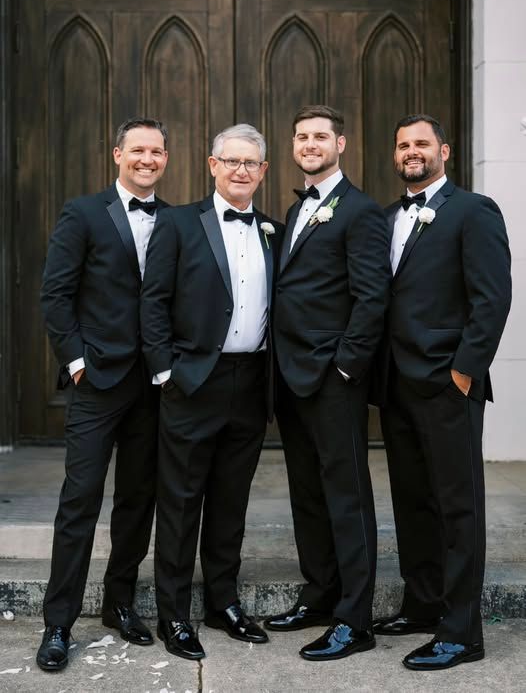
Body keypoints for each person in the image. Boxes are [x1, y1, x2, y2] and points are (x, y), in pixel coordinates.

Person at [140, 123, 283, 661]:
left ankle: (223, 602)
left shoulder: (274, 229)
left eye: (251, 163)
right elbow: (152, 300)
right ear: (212, 165)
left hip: (251, 383)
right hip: (191, 381)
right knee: (179, 503)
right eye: (232, 161)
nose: (241, 170)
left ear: (264, 172)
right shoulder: (178, 223)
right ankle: (174, 616)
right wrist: (165, 373)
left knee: (231, 502)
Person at [374, 114, 512, 671]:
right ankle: (423, 603)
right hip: (397, 385)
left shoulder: (474, 211)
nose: (412, 151)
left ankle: (461, 632)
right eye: (403, 144)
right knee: (412, 501)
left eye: (421, 144)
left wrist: (464, 371)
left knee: (458, 507)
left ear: (444, 151)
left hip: (447, 383)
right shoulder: (386, 218)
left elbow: (492, 299)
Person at [37, 117, 169, 672]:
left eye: (156, 151)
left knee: (138, 502)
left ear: (166, 158)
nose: (147, 158)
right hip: (96, 383)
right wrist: (76, 364)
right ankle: (58, 623)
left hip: (153, 386)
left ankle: (120, 602)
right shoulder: (83, 213)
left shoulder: (178, 219)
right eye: (137, 149)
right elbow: (56, 294)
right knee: (80, 502)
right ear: (117, 153)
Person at [264, 105, 391, 661]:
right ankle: (319, 595)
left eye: (320, 136)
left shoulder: (359, 210)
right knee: (307, 494)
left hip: (332, 378)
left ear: (341, 143)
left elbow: (372, 296)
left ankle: (354, 619)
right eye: (301, 136)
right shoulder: (297, 211)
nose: (310, 144)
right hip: (291, 376)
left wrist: (345, 367)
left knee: (346, 497)